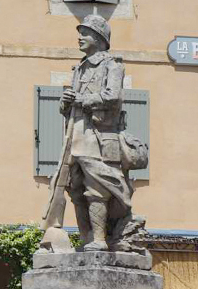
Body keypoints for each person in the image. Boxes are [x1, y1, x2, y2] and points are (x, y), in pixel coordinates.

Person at [50, 14, 146, 252]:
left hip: (100, 137)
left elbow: (113, 97)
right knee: (76, 190)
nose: (80, 37)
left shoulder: (112, 66)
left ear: (99, 37)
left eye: (85, 33)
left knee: (98, 189)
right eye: (80, 32)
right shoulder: (79, 68)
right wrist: (65, 102)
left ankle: (100, 240)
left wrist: (83, 99)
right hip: (76, 136)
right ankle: (86, 240)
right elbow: (70, 108)